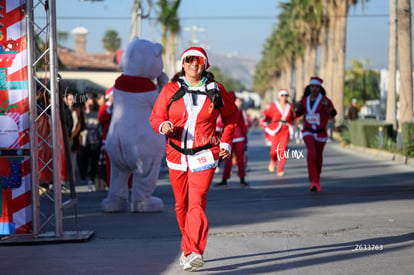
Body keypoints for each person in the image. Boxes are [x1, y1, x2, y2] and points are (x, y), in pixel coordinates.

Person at [150, 46, 238, 272]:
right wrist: (164, 125)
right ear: (183, 63)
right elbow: (156, 116)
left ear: (205, 65)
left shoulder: (215, 89)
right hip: (176, 154)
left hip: (206, 153)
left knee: (197, 202)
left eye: (199, 60)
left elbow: (231, 116)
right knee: (182, 205)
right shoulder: (171, 89)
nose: (193, 63)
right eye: (189, 59)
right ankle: (187, 248)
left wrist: (226, 141)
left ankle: (195, 251)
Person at [295, 77, 337, 192]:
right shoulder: (304, 100)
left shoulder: (325, 100)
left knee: (318, 158)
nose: (314, 89)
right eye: (312, 87)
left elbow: (333, 113)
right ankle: (312, 181)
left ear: (320, 88)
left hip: (321, 133)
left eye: (317, 87)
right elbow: (298, 113)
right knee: (311, 154)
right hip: (308, 131)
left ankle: (316, 181)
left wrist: (327, 107)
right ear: (310, 87)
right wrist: (297, 110)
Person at [215, 92, 248, 187]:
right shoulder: (239, 112)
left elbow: (220, 125)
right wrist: (245, 139)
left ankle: (224, 180)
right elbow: (243, 127)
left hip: (228, 139)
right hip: (239, 138)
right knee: (240, 160)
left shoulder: (223, 111)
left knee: (227, 161)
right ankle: (242, 179)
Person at [260, 89, 295, 176]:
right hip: (275, 131)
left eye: (285, 95)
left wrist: (295, 122)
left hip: (285, 130)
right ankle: (272, 161)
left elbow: (294, 117)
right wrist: (263, 118)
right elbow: (267, 115)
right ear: (279, 96)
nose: (284, 97)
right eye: (282, 95)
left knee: (282, 151)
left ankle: (280, 169)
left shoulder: (290, 107)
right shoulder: (274, 106)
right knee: (274, 151)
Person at [79, 94, 102, 191]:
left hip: (95, 140)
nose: (91, 105)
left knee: (94, 160)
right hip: (85, 140)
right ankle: (83, 175)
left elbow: (98, 125)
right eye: (89, 103)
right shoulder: (82, 113)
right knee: (83, 159)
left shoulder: (96, 113)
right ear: (85, 103)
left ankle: (91, 177)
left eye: (92, 103)